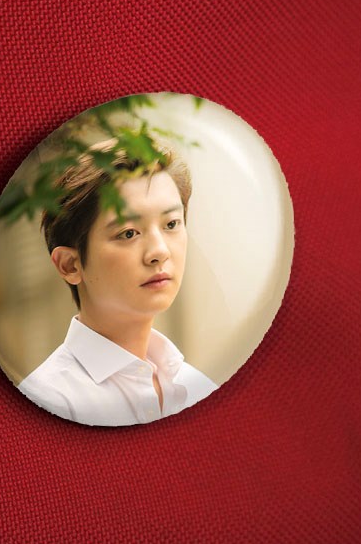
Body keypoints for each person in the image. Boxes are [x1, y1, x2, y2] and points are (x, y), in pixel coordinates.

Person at [17, 139, 217, 426]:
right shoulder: (48, 402)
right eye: (128, 233)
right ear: (70, 265)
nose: (159, 251)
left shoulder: (197, 387)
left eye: (171, 224)